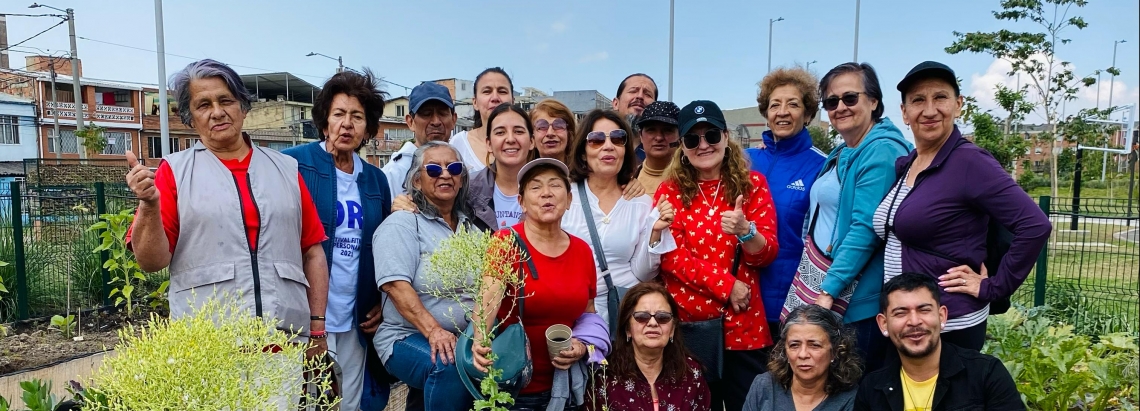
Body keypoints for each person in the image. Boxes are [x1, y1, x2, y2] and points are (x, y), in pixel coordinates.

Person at [124, 60, 329, 409]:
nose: (217, 112)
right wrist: (148, 207)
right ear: (190, 118)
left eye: (226, 100)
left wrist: (317, 328)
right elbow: (151, 261)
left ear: (243, 107)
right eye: (203, 105)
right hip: (207, 347)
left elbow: (312, 251)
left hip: (282, 343)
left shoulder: (284, 168)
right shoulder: (175, 171)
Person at [875, 61, 1051, 351]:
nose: (930, 110)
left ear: (958, 105)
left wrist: (993, 287)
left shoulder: (969, 162)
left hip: (949, 322)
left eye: (940, 97)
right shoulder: (907, 165)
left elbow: (1035, 225)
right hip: (910, 320)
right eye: (918, 100)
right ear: (905, 113)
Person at [655, 100, 780, 411]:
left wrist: (746, 232)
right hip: (692, 327)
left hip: (743, 326)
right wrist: (727, 286)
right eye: (692, 139)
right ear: (682, 146)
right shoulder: (669, 192)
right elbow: (670, 257)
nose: (703, 145)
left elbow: (766, 254)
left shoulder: (753, 186)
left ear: (726, 137)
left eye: (711, 135)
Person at [282, 69, 391, 411]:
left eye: (357, 117)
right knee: (307, 402)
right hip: (305, 316)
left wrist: (382, 304)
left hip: (355, 316)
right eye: (339, 114)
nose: (347, 124)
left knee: (350, 403)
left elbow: (383, 247)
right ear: (325, 121)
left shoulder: (375, 179)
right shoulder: (294, 163)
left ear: (368, 127)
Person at [803, 62, 911, 373]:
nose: (840, 107)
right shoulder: (848, 150)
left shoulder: (880, 151)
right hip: (843, 289)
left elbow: (865, 228)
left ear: (874, 101)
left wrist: (827, 292)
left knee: (853, 389)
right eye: (831, 102)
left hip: (857, 299)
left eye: (850, 98)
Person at [470, 158, 601, 410]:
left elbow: (588, 313)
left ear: (569, 199)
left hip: (567, 384)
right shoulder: (505, 242)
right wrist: (480, 341)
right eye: (536, 187)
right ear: (521, 202)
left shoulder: (582, 250)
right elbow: (487, 304)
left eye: (555, 185)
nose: (547, 193)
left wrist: (583, 346)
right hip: (516, 385)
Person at [373, 142, 478, 411]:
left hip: (463, 337)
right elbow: (396, 286)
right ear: (417, 181)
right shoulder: (403, 224)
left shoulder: (472, 231)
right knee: (448, 364)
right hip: (405, 336)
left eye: (453, 168)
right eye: (434, 169)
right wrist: (434, 331)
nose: (445, 174)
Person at [561, 109, 678, 330]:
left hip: (623, 313)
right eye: (596, 140)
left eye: (617, 139)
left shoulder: (641, 202)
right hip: (573, 313)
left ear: (625, 150)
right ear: (583, 152)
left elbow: (643, 273)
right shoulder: (565, 196)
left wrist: (655, 233)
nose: (608, 146)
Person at [855, 273, 1025, 411]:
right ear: (883, 324)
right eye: (901, 313)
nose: (914, 321)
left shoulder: (985, 375)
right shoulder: (872, 389)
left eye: (924, 310)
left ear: (942, 316)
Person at [745, 67, 829, 341]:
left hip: (789, 302)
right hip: (738, 298)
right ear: (766, 113)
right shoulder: (743, 160)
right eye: (775, 105)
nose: (782, 112)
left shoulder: (822, 165)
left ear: (807, 114)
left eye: (793, 104)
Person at [585, 282, 711, 411]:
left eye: (662, 317)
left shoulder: (691, 373)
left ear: (672, 329)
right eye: (642, 317)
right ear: (628, 328)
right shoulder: (605, 376)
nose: (652, 323)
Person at [742, 304, 861, 411]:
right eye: (794, 345)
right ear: (785, 351)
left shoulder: (851, 399)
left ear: (835, 351)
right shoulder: (765, 386)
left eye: (815, 345)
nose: (803, 354)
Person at [382, 81, 458, 199]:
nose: (436, 121)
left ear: (454, 119)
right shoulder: (394, 173)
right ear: (410, 121)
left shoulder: (458, 166)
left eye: (442, 113)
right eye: (426, 114)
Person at [450, 67, 514, 174]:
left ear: (513, 101)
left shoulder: (525, 143)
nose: (495, 98)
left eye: (502, 91)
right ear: (475, 102)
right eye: (487, 92)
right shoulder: (459, 144)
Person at [634, 101, 682, 196]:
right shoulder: (625, 182)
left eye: (668, 130)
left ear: (680, 136)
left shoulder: (696, 182)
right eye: (651, 130)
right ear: (640, 135)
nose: (659, 137)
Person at [613, 73, 659, 162]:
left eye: (648, 94)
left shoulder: (663, 152)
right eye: (633, 91)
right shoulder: (597, 143)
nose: (640, 96)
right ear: (616, 103)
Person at [531, 99, 576, 163]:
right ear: (532, 139)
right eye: (542, 126)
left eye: (558, 125)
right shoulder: (522, 173)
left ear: (569, 134)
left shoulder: (586, 172)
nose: (550, 133)